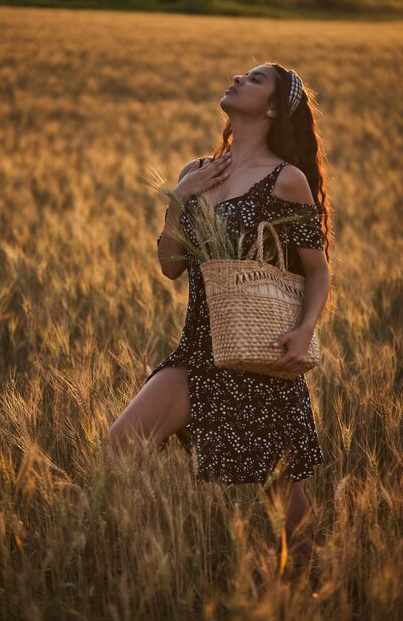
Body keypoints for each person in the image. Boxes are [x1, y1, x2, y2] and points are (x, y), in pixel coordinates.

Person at [105, 61, 333, 578]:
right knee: (120, 445)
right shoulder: (196, 170)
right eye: (241, 74)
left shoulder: (286, 180)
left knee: (285, 494)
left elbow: (318, 271)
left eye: (255, 80)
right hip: (199, 350)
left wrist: (305, 330)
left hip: (261, 350)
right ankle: (141, 564)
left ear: (272, 109)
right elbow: (170, 267)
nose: (238, 79)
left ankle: (310, 594)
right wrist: (179, 200)